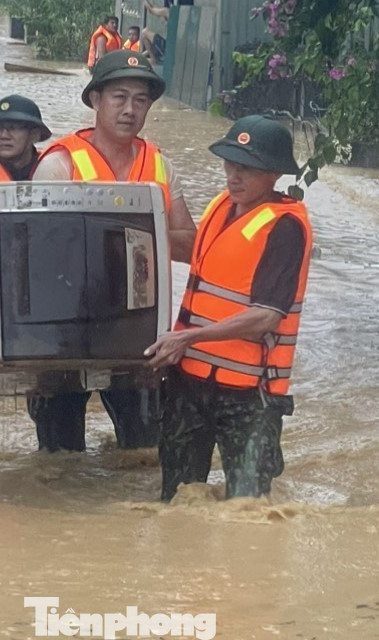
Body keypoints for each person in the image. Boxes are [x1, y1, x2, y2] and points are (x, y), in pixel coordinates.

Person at [30, 49, 197, 453]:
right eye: (119, 97)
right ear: (95, 100)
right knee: (60, 459)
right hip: (65, 333)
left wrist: (140, 232)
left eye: (141, 100)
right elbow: (35, 255)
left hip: (138, 333)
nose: (130, 109)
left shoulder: (161, 166)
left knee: (143, 453)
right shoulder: (60, 165)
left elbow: (191, 245)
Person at [143, 115, 312, 501]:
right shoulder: (222, 207)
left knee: (249, 509)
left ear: (273, 174)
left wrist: (190, 336)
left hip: (249, 395)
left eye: (246, 169)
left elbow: (266, 317)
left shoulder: (285, 228)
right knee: (178, 499)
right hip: (189, 383)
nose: (233, 176)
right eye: (230, 164)